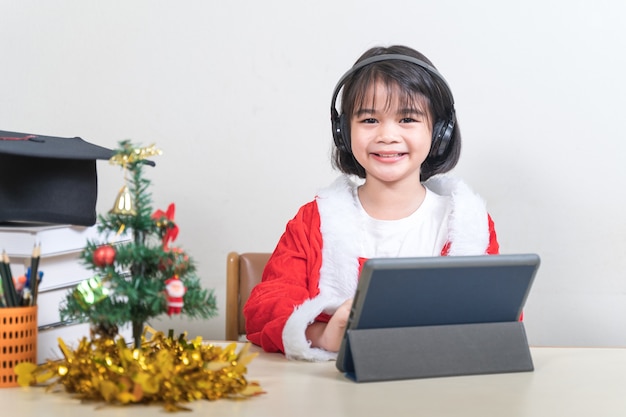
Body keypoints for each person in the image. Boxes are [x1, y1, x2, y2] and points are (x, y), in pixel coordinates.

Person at [243, 45, 499, 361]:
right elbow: (265, 305)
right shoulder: (315, 221)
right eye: (369, 120)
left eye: (407, 118)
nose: (387, 135)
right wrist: (322, 335)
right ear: (343, 132)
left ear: (440, 132)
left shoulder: (466, 226)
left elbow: (497, 320)